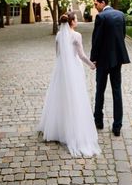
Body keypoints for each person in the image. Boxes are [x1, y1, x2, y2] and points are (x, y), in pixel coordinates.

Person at [37, 12, 100, 157]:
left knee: (60, 96)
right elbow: (82, 55)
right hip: (74, 69)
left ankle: (58, 128)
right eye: (76, 19)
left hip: (61, 69)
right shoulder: (76, 35)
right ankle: (72, 128)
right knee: (75, 96)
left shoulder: (59, 35)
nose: (77, 21)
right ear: (71, 22)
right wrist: (92, 65)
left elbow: (57, 54)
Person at [90, 0, 130, 137]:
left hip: (102, 60)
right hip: (117, 59)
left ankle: (98, 121)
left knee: (100, 90)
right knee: (117, 91)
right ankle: (117, 126)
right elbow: (123, 35)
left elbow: (97, 39)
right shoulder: (120, 15)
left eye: (96, 4)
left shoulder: (101, 17)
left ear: (102, 3)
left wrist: (93, 58)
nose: (95, 7)